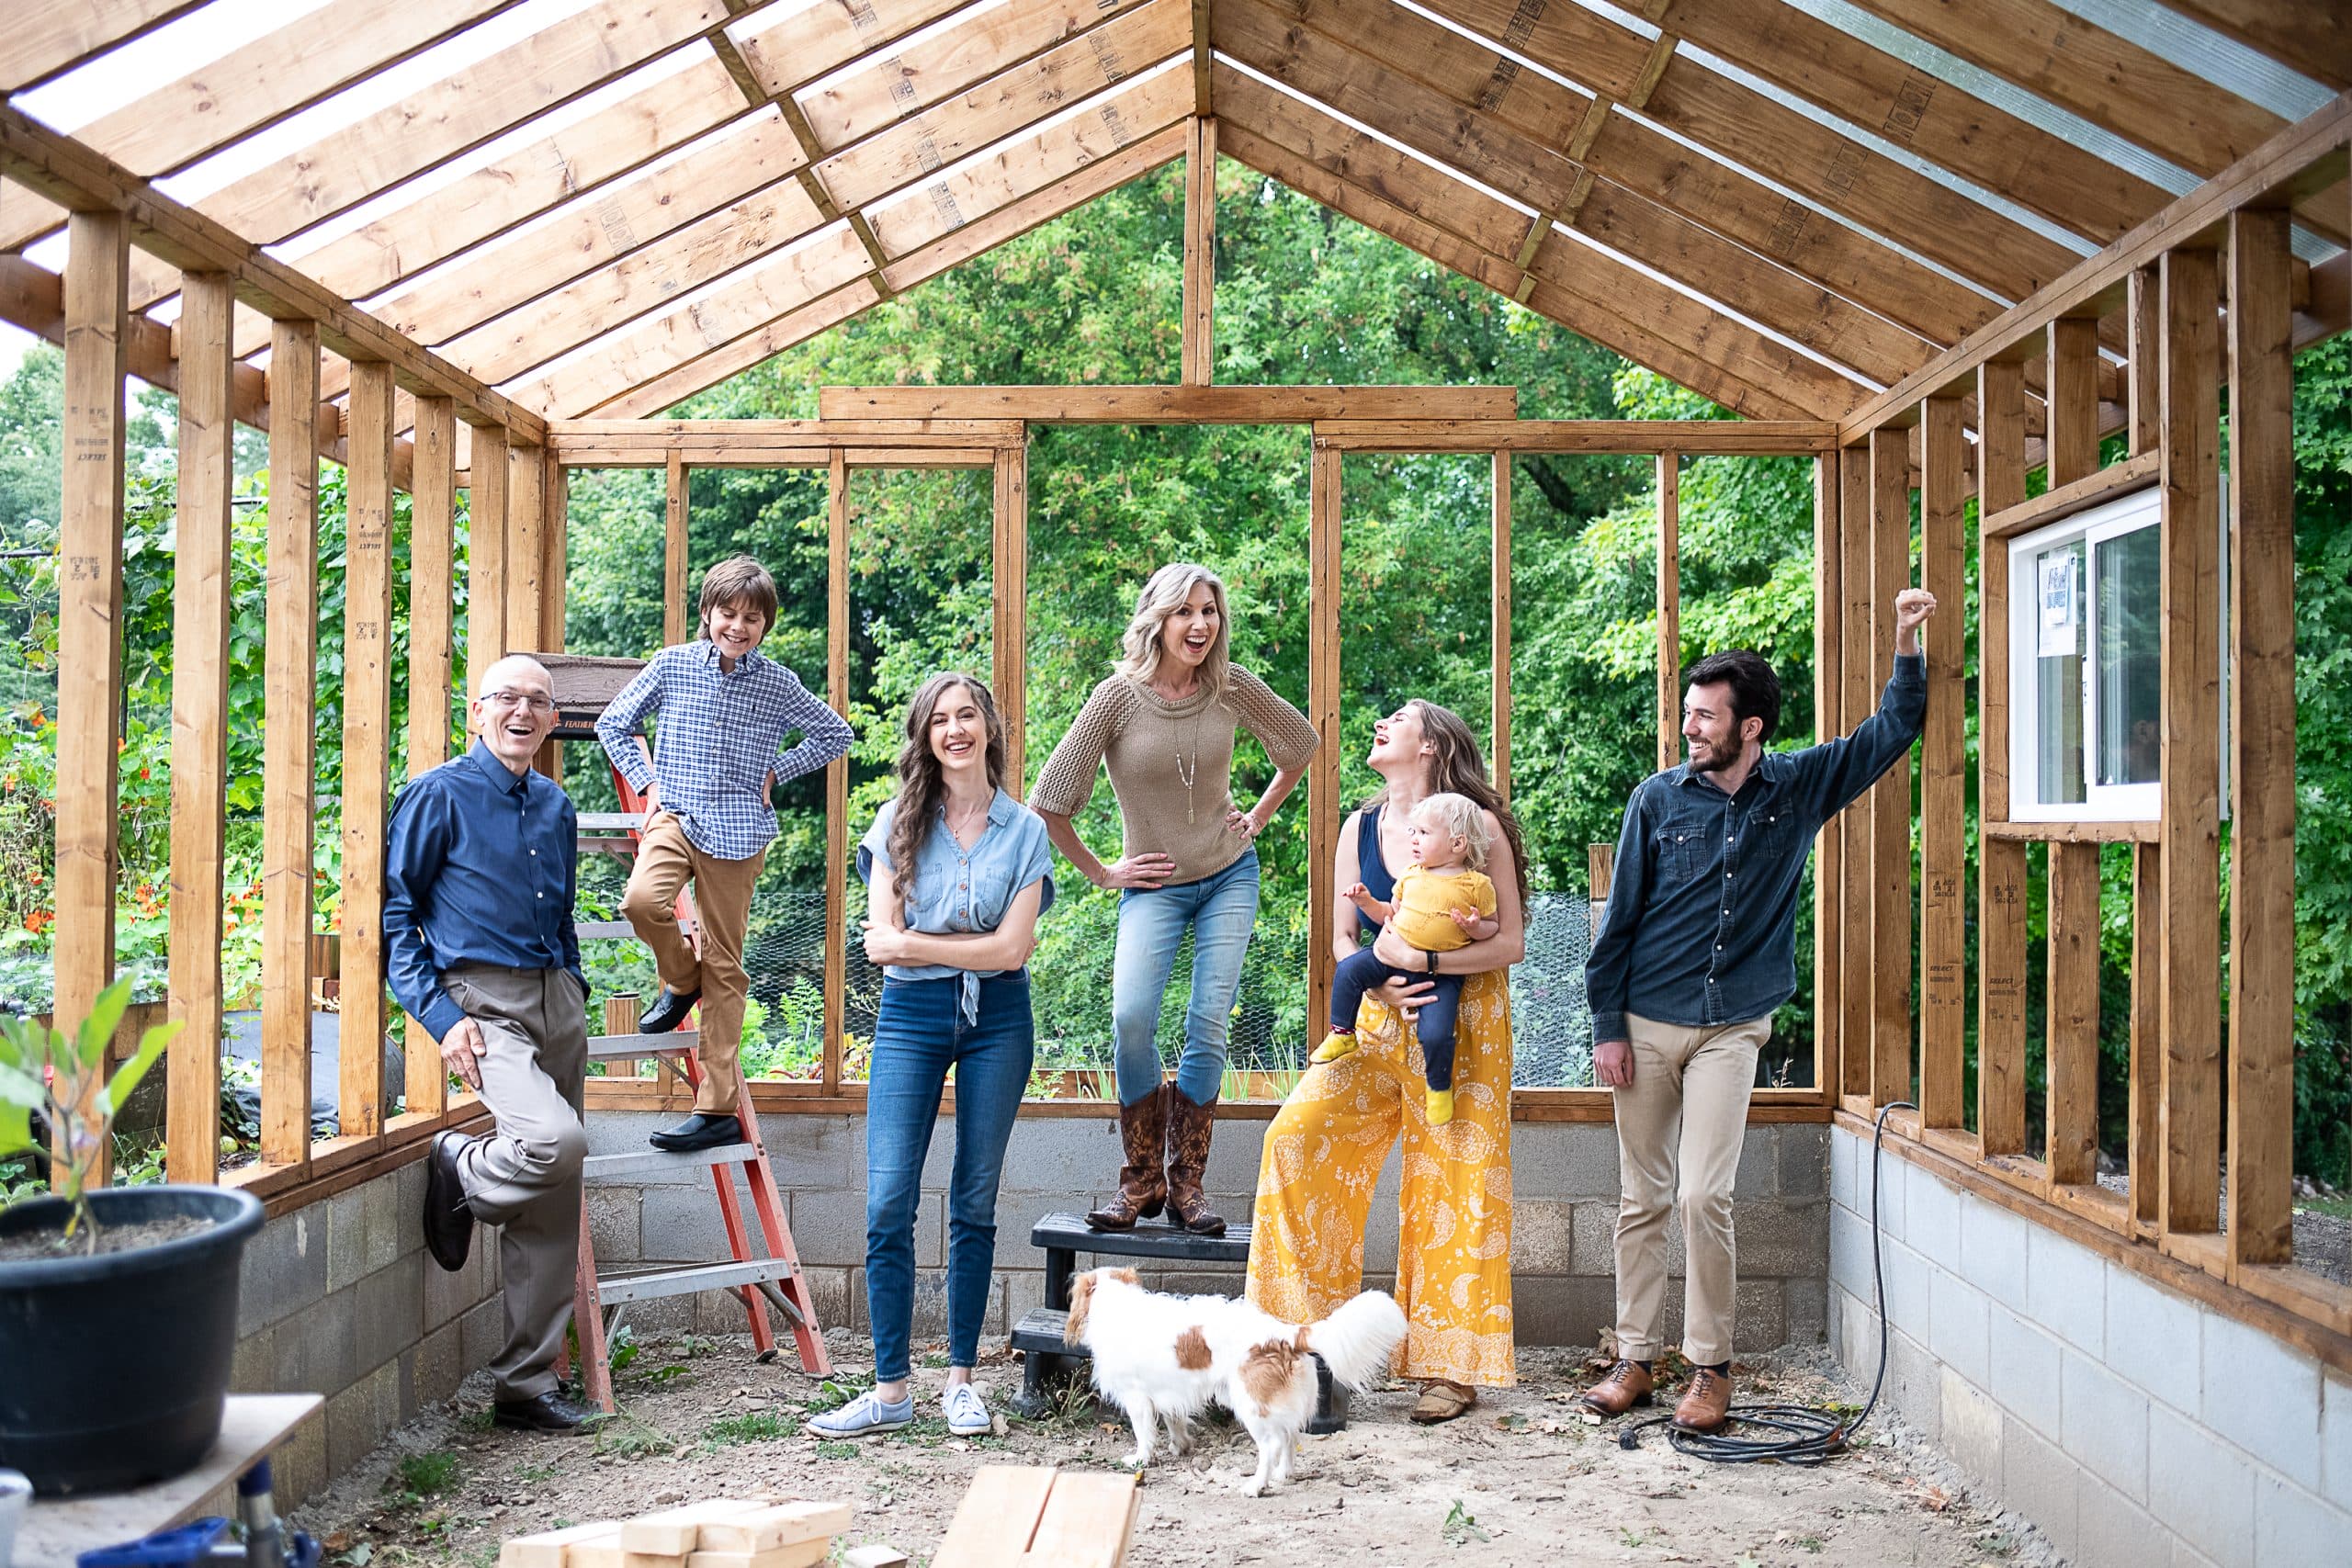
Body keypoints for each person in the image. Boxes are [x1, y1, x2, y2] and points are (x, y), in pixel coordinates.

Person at [1580, 587, 1939, 1433]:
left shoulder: (1800, 787)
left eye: (1705, 717)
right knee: (1643, 1197)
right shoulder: (1657, 800)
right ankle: (1635, 1355)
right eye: (1688, 716)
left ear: (1751, 728)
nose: (1690, 729)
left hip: (1734, 1024)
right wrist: (1607, 1027)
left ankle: (1710, 1366)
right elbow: (1618, 917)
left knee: (1705, 1194)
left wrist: (1904, 645)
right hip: (1646, 1022)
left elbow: (1888, 733)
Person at [1246, 700, 1527, 1423]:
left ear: (1430, 744)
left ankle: (1447, 1366)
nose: (1381, 723)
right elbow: (1344, 938)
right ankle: (1300, 1347)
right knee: (1295, 1140)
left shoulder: (1478, 826)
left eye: (1397, 718)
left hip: (1464, 1022)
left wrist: (1427, 960)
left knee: (1454, 1182)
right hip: (1374, 1019)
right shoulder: (1358, 828)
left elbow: (1509, 942)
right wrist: (1381, 978)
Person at [1029, 563, 1319, 1236]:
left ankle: (1188, 1183)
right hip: (1153, 886)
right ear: (1156, 619)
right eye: (1185, 611)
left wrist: (1259, 815)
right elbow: (1050, 801)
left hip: (1227, 875)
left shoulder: (1230, 686)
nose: (1200, 624)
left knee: (1208, 1019)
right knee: (1132, 1017)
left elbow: (1299, 744)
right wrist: (1106, 873)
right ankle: (1141, 1180)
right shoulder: (1117, 698)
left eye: (1210, 611)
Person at [808, 673, 1054, 1439]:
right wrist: (949, 950)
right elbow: (881, 948)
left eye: (968, 714)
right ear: (925, 736)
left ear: (989, 726)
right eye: (940, 719)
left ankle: (960, 1383)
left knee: (974, 1202)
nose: (955, 729)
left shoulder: (1025, 831)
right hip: (911, 1017)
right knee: (888, 1202)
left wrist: (921, 943)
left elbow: (1013, 951)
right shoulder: (897, 822)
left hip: (999, 1022)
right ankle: (889, 1391)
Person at [393, 655, 594, 1433]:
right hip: (482, 998)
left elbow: (565, 911)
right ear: (476, 711)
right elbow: (393, 916)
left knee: (553, 1202)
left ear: (551, 720)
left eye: (538, 701)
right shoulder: (437, 794)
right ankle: (463, 1168)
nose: (523, 711)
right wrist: (443, 1019)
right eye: (507, 697)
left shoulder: (556, 805)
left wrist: (571, 985)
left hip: (555, 996)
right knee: (553, 1142)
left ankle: (523, 1385)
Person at [595, 557, 853, 1154]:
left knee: (727, 965)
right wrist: (649, 781)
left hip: (739, 831)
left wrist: (777, 769)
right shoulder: (673, 665)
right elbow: (616, 723)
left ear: (765, 625)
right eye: (728, 613)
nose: (738, 626)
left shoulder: (778, 683)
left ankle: (714, 1108)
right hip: (676, 815)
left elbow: (836, 733)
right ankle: (681, 977)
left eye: (751, 618)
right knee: (641, 902)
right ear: (707, 612)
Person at [1312, 791, 1499, 1125]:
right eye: (1413, 831)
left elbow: (1493, 927)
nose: (1414, 839)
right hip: (1389, 955)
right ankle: (1341, 1032)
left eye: (1424, 833)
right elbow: (1389, 912)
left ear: (1457, 845)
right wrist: (1367, 901)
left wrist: (1474, 927)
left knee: (1437, 1033)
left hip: (1440, 975)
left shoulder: (1477, 884)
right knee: (1351, 970)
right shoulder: (1412, 874)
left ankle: (1439, 1087)